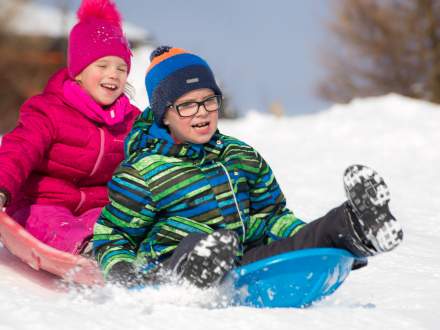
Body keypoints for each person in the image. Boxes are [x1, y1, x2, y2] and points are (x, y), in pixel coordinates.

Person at [93, 46, 403, 288]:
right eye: (186, 105)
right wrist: (123, 275)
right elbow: (113, 236)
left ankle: (356, 227)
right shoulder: (143, 171)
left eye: (208, 100)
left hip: (241, 263)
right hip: (168, 270)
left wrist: (306, 238)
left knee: (301, 240)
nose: (201, 113)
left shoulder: (240, 155)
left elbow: (272, 216)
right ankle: (193, 273)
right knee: (199, 245)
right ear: (164, 114)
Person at [0, 0, 140, 255]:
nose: (114, 74)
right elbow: (20, 149)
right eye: (102, 65)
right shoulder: (48, 110)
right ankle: (88, 249)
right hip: (40, 203)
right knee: (52, 222)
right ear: (78, 72)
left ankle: (117, 252)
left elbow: (154, 155)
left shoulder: (130, 121)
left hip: (96, 208)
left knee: (114, 222)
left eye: (121, 68)